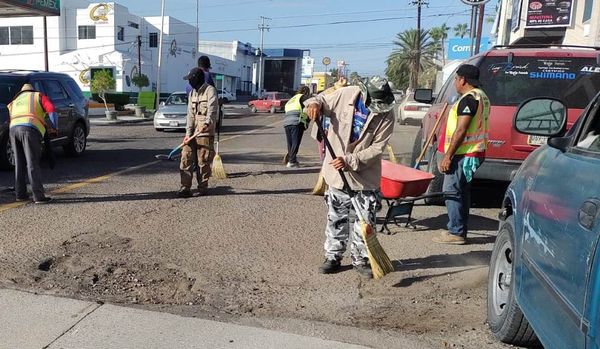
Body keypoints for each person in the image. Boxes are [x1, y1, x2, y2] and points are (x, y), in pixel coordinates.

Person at [305, 76, 395, 278]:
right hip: (337, 174)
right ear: (364, 93)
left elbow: (377, 148)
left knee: (365, 220)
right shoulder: (345, 94)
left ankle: (361, 259)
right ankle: (333, 257)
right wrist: (313, 104)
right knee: (336, 218)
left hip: (365, 176)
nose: (377, 108)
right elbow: (320, 100)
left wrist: (350, 160)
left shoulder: (387, 113)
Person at [433, 64, 490, 245]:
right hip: (473, 152)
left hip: (464, 153)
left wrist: (448, 156)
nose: (455, 83)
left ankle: (456, 232)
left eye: (456, 79)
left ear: (463, 80)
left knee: (451, 191)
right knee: (462, 192)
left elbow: (461, 130)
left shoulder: (469, 99)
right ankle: (458, 229)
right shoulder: (482, 96)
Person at [8, 84, 58, 204]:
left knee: (19, 163)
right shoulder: (38, 96)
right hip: (30, 129)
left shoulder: (14, 101)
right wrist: (54, 127)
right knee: (32, 163)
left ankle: (20, 195)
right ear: (32, 90)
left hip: (13, 130)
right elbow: (51, 109)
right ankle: (38, 196)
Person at [178, 67, 219, 198]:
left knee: (203, 161)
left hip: (205, 132)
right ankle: (185, 187)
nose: (189, 82)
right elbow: (190, 115)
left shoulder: (210, 91)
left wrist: (207, 123)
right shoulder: (192, 93)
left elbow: (212, 111)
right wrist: (187, 134)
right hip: (193, 132)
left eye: (190, 79)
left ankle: (202, 186)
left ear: (196, 79)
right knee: (186, 157)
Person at [282, 85, 311, 168]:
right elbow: (309, 107)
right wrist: (307, 121)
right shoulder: (303, 97)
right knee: (296, 142)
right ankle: (292, 161)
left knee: (290, 143)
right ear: (305, 92)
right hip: (297, 121)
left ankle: (292, 159)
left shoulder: (291, 99)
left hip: (287, 122)